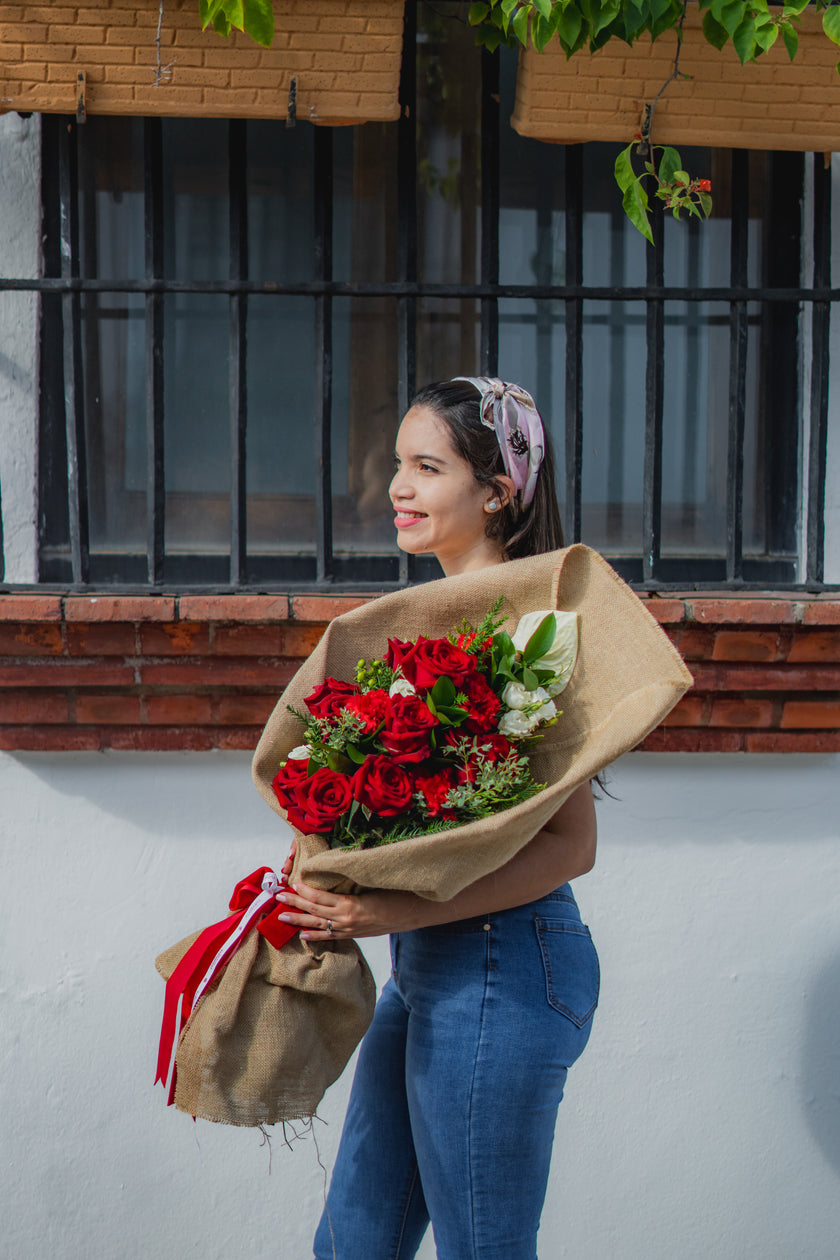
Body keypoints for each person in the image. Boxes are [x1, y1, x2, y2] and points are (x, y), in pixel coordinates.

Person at [273, 377, 600, 1260]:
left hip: (508, 965)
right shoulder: (426, 627)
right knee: (353, 1246)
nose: (399, 489)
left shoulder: (536, 628)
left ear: (497, 492)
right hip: (428, 970)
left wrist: (384, 911)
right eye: (397, 466)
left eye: (428, 467)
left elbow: (573, 848)